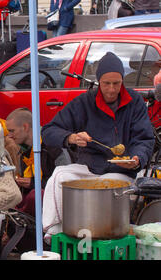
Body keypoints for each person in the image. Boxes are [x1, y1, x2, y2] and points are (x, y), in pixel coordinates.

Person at [41, 52, 155, 241]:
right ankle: (54, 231)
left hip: (120, 170)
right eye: (106, 83)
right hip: (88, 166)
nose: (111, 89)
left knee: (107, 185)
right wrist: (70, 137)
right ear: (98, 82)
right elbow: (48, 130)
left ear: (122, 81)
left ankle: (98, 234)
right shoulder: (84, 102)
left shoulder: (134, 102)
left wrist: (136, 160)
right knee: (60, 175)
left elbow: (144, 139)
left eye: (116, 83)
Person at [5, 108, 70, 217]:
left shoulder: (54, 145)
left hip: (60, 202)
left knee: (35, 196)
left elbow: (66, 181)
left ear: (25, 127)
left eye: (12, 131)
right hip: (37, 202)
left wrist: (33, 183)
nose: (9, 136)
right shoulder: (24, 150)